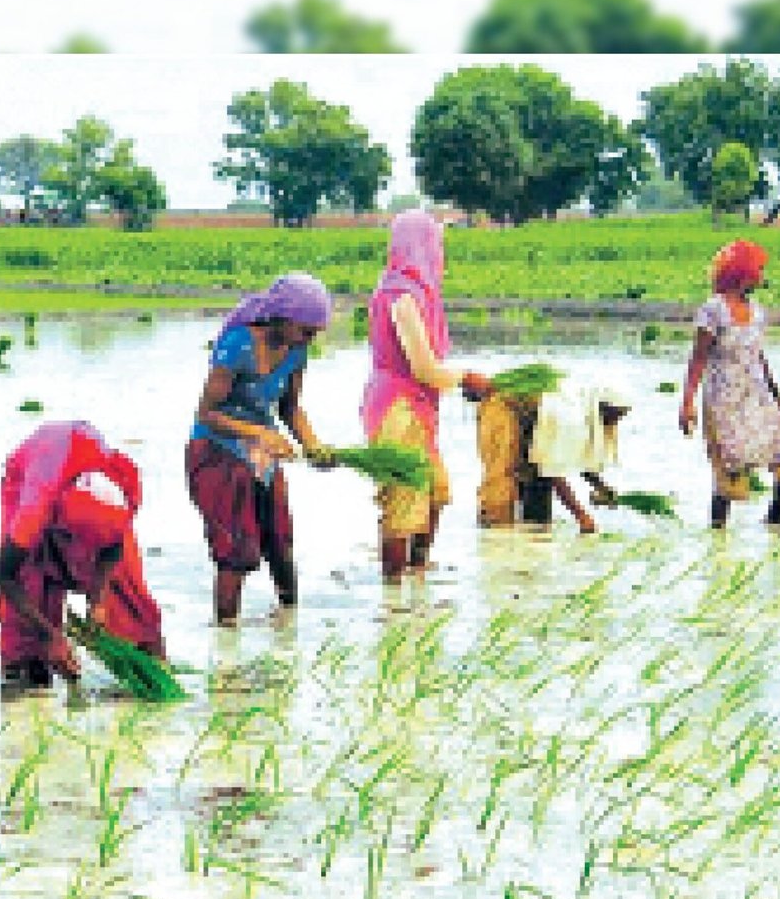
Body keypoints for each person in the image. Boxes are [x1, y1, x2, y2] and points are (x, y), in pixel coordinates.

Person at [187, 272, 334, 624]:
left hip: (259, 454)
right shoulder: (238, 345)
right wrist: (259, 434)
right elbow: (206, 414)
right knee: (236, 550)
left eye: (314, 333)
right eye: (305, 331)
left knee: (280, 541)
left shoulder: (296, 351)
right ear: (282, 318)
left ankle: (289, 625)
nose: (309, 339)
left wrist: (312, 444)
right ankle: (227, 634)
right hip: (216, 451)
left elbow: (290, 408)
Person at [362, 212, 493, 577]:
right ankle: (392, 590)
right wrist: (466, 378)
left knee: (435, 490)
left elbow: (428, 372)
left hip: (418, 405)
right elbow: (423, 369)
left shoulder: (416, 294)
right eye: (436, 244)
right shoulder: (401, 297)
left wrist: (457, 381)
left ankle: (417, 573)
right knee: (403, 498)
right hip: (397, 408)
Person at [0, 420, 165, 692]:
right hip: (31, 474)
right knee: (32, 582)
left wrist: (98, 599)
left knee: (127, 591)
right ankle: (25, 668)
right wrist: (48, 634)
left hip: (82, 463)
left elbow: (114, 546)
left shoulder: (124, 488)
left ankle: (148, 666)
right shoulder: (34, 511)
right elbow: (3, 573)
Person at [679, 240, 780, 529]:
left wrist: (777, 396)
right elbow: (698, 358)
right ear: (743, 273)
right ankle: (718, 531)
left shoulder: (757, 312)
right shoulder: (714, 310)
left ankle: (775, 516)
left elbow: (759, 357)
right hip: (723, 400)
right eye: (759, 269)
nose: (762, 275)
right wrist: (687, 404)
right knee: (729, 469)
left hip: (756, 396)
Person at [474, 384, 631, 533]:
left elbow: (574, 455)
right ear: (603, 410)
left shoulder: (586, 415)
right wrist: (581, 516)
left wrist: (600, 486)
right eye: (615, 416)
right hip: (503, 413)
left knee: (538, 502)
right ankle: (493, 534)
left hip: (532, 429)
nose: (615, 422)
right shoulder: (571, 420)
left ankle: (530, 537)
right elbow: (553, 472)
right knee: (502, 486)